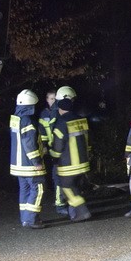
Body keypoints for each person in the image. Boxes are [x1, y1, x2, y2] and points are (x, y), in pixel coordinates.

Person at [49, 85, 92, 222]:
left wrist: (53, 157)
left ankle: (83, 211)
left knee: (66, 187)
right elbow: (88, 140)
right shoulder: (81, 119)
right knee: (75, 187)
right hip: (83, 162)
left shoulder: (61, 122)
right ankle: (78, 213)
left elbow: (57, 146)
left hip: (68, 164)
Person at [9, 89, 46, 229]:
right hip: (29, 165)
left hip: (17, 165)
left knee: (24, 190)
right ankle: (31, 219)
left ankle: (25, 218)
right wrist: (37, 161)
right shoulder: (28, 121)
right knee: (38, 189)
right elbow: (29, 143)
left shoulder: (15, 119)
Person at [37, 89, 66, 215]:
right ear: (47, 100)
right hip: (50, 149)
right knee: (56, 176)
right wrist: (44, 146)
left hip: (60, 148)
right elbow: (42, 132)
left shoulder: (58, 112)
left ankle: (61, 202)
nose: (53, 101)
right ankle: (60, 202)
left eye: (55, 98)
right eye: (51, 99)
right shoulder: (44, 114)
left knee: (58, 176)